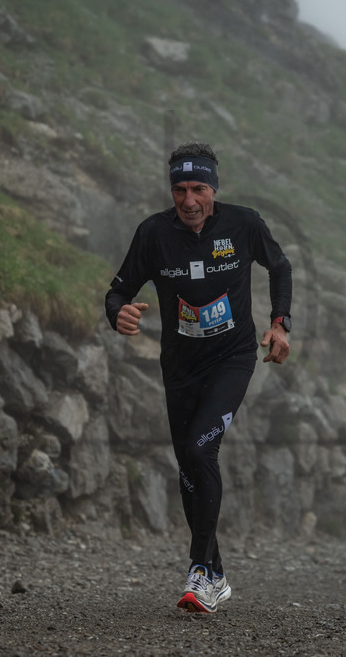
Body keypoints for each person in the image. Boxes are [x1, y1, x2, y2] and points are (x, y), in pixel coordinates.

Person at [105, 142, 293, 613]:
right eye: (180, 190)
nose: (189, 200)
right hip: (180, 367)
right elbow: (119, 290)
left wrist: (280, 324)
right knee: (188, 467)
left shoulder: (243, 223)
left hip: (232, 358)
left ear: (215, 189)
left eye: (199, 189)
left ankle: (198, 572)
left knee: (198, 449)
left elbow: (280, 266)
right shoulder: (153, 233)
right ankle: (219, 574)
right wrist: (119, 314)